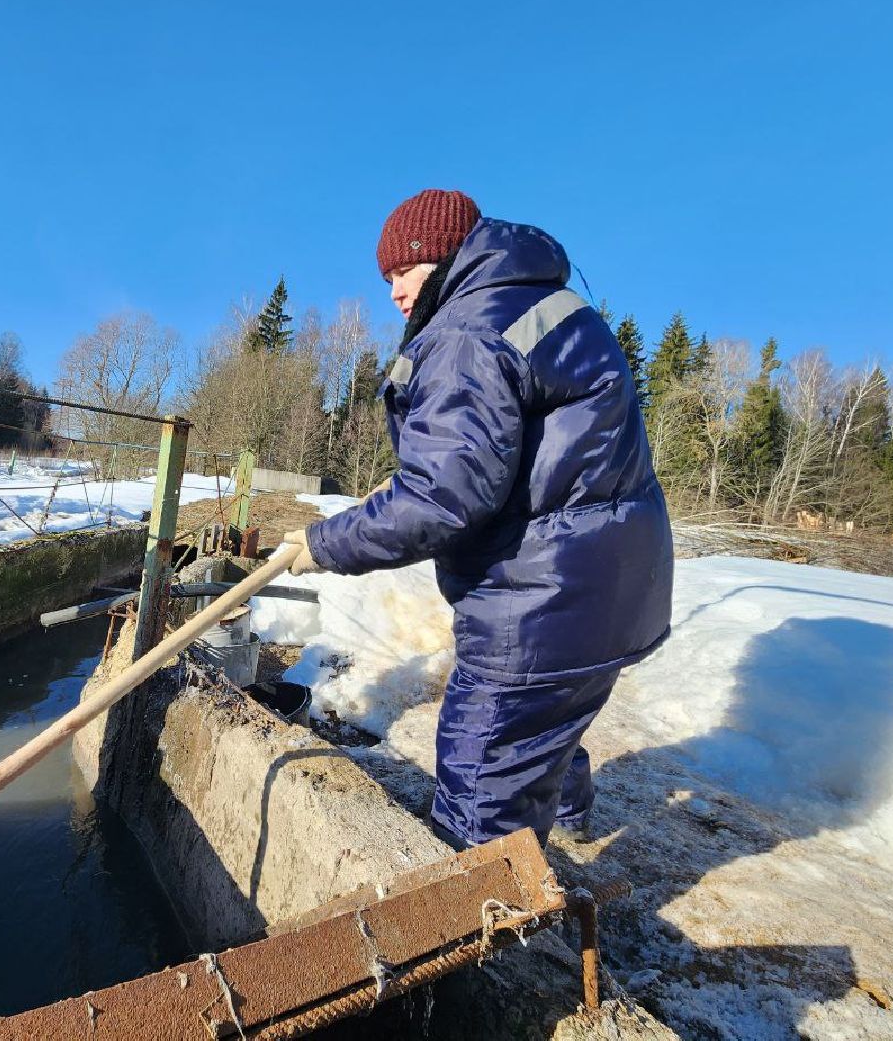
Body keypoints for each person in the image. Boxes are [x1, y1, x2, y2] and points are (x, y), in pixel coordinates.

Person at [283, 189, 673, 846]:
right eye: (385, 280)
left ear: (438, 257)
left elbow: (443, 498)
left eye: (401, 273)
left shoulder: (465, 329)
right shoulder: (550, 305)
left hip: (539, 604)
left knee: (480, 779)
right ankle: (570, 820)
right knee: (554, 715)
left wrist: (323, 543)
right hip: (613, 593)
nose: (393, 293)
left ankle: (482, 935)